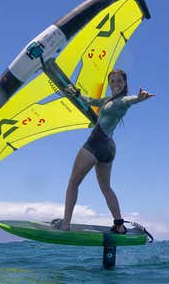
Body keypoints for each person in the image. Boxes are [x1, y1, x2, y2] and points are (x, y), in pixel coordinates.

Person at [54, 69, 154, 233]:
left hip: (96, 142)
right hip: (109, 148)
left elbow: (130, 100)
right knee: (106, 188)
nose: (116, 84)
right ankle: (119, 225)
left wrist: (139, 98)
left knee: (73, 183)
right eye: (112, 81)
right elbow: (90, 101)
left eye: (119, 80)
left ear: (125, 83)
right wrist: (75, 94)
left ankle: (65, 224)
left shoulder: (122, 100)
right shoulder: (108, 100)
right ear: (109, 84)